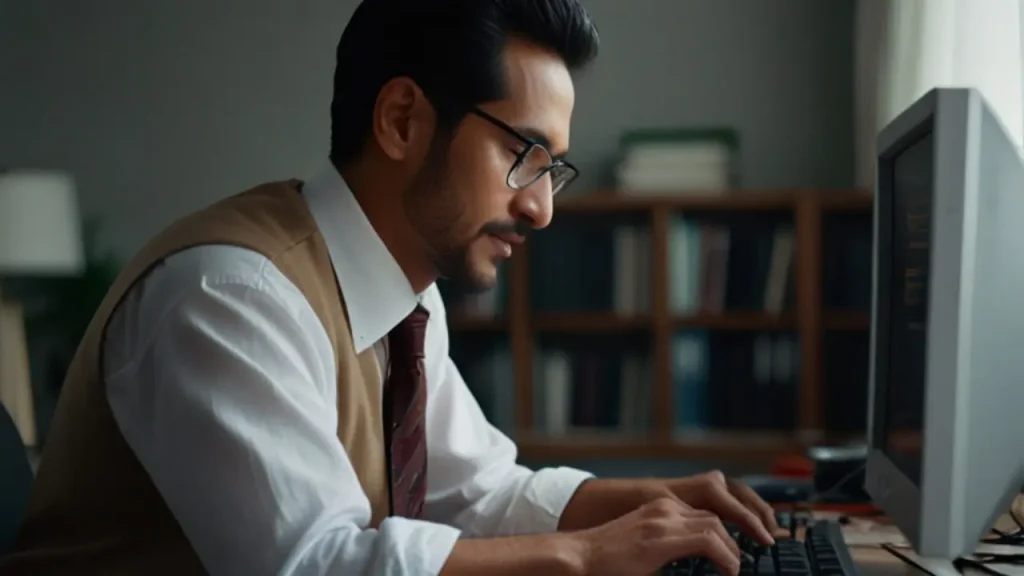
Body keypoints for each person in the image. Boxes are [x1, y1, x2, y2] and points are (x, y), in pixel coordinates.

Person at [1, 1, 783, 575]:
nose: (542, 207)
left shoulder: (405, 298)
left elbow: (477, 494)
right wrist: (583, 557)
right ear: (403, 120)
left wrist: (651, 502)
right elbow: (317, 565)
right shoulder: (229, 297)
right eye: (525, 155)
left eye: (554, 170)